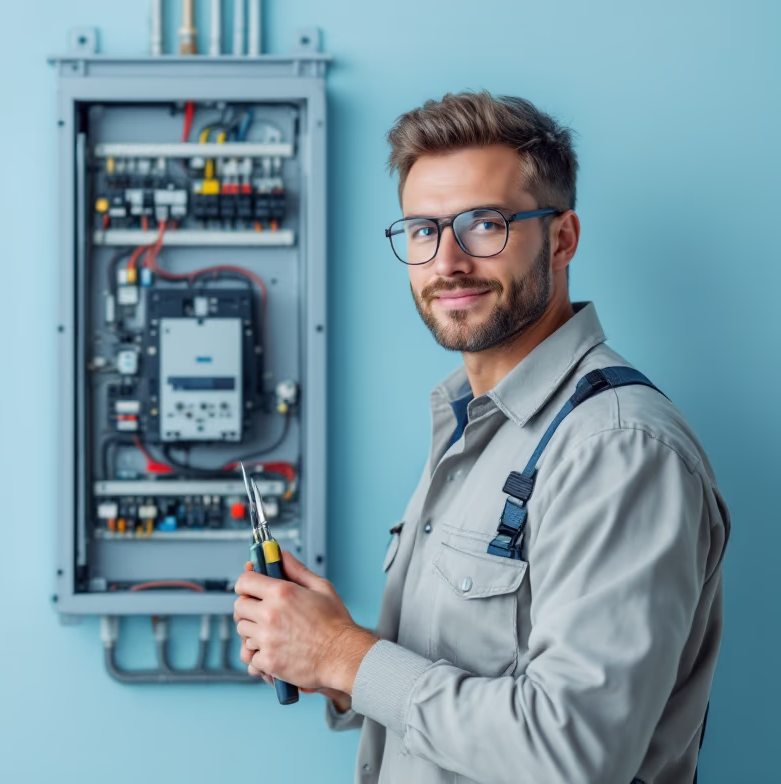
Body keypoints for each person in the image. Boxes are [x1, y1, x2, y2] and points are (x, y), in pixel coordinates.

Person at [232, 91, 730, 784]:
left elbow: (574, 754)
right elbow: (464, 685)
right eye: (422, 230)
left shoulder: (617, 449)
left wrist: (347, 655)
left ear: (562, 238)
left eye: (484, 224)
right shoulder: (474, 425)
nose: (447, 261)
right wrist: (325, 659)